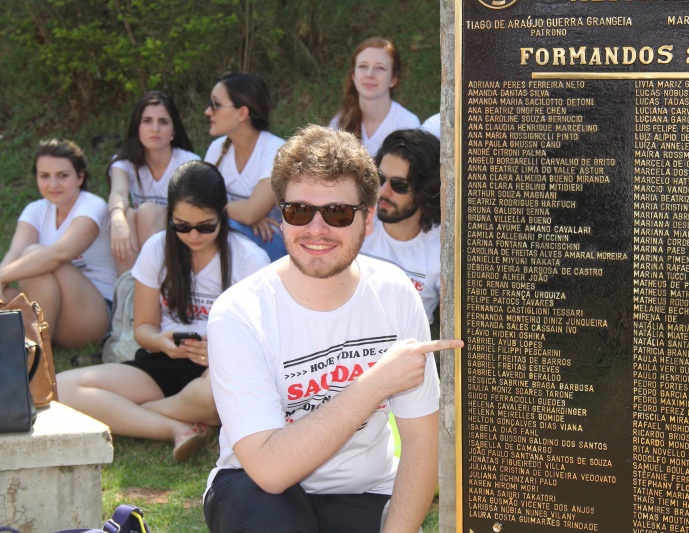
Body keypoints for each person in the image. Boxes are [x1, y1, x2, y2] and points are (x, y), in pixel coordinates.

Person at [203, 125, 463, 533]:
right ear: (282, 216)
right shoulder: (238, 313)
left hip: (364, 491)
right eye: (299, 211)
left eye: (338, 213)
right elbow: (270, 469)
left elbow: (420, 440)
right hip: (255, 489)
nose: (317, 229)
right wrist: (374, 384)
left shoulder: (394, 293)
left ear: (369, 218)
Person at [58, 161, 270, 462]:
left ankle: (126, 415)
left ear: (223, 213)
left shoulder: (249, 259)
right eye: (181, 225)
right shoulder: (157, 249)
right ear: (169, 216)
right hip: (166, 359)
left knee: (213, 397)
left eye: (205, 226)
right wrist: (163, 342)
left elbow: (261, 343)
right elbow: (143, 328)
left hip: (220, 368)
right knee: (62, 389)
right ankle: (175, 427)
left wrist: (220, 353)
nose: (193, 235)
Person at [0, 139, 116, 347]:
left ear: (80, 177)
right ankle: (28, 346)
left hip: (92, 314)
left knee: (37, 257)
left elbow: (60, 254)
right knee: (9, 290)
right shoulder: (35, 210)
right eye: (45, 176)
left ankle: (31, 351)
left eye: (62, 175)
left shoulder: (92, 207)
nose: (53, 184)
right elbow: (14, 254)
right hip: (53, 307)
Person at [107, 90, 199, 273]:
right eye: (147, 121)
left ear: (173, 130)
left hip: (181, 240)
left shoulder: (188, 162)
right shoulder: (124, 162)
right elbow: (118, 193)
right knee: (128, 215)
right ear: (137, 127)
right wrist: (117, 220)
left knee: (147, 211)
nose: (155, 129)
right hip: (139, 240)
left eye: (163, 122)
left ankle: (159, 281)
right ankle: (130, 288)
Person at [360, 129, 442, 326]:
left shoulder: (442, 251)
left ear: (424, 190)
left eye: (399, 185)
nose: (383, 191)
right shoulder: (355, 223)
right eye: (380, 178)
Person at [204, 72, 287, 260]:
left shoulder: (276, 150)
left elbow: (251, 212)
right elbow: (196, 201)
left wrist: (219, 210)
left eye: (215, 105)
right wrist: (242, 215)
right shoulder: (217, 149)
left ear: (242, 113)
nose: (208, 112)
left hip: (271, 247)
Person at [329, 37, 420, 157]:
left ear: (393, 79)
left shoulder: (407, 124)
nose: (369, 74)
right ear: (353, 75)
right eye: (363, 66)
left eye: (380, 68)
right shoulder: (339, 123)